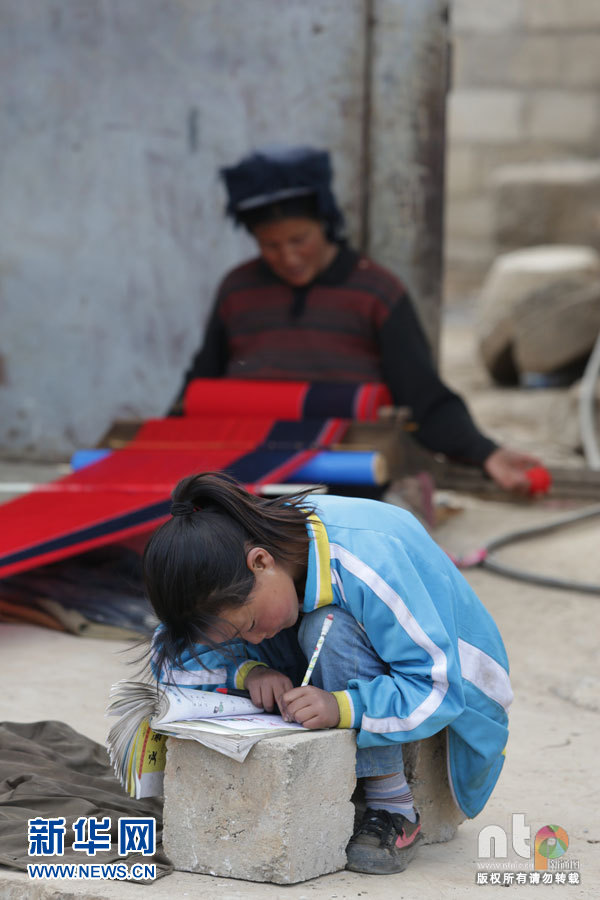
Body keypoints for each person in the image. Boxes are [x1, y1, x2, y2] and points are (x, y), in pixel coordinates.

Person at [144, 471, 512, 875]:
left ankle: (393, 807)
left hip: (460, 696)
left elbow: (438, 688)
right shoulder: (263, 551)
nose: (252, 636)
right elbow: (170, 655)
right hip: (367, 656)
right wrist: (250, 672)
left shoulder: (367, 559)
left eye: (248, 624)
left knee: (328, 627)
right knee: (201, 637)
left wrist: (342, 707)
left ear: (261, 562)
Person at [172, 145, 540, 493]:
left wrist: (486, 452)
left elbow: (423, 395)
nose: (288, 257)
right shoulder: (238, 290)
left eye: (299, 240)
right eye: (271, 245)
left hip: (347, 467)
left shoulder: (375, 292)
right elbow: (199, 389)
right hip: (248, 470)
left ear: (324, 223)